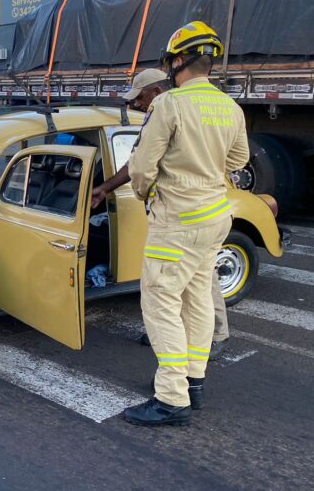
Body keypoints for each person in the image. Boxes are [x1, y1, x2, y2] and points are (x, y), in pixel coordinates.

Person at [122, 22, 249, 427]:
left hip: (176, 222)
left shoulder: (170, 105)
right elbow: (238, 161)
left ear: (177, 61)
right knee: (196, 302)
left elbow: (141, 167)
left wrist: (150, 194)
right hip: (215, 217)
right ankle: (194, 381)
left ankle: (171, 398)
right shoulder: (231, 106)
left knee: (160, 305)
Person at [91, 68, 230, 360]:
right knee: (179, 282)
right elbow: (137, 162)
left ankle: (215, 337)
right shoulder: (165, 114)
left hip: (188, 213)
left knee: (200, 281)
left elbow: (141, 170)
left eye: (140, 98)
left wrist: (142, 191)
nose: (136, 105)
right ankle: (176, 335)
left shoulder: (172, 111)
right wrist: (105, 188)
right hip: (185, 211)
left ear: (156, 92)